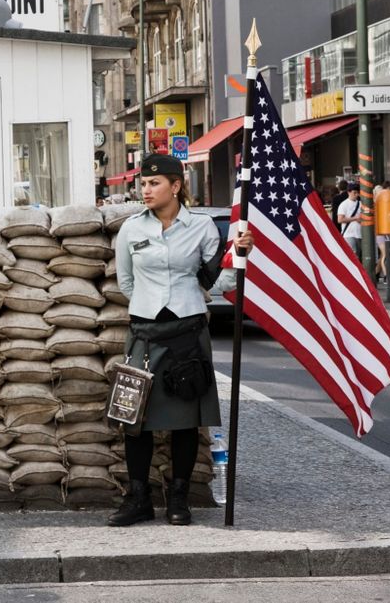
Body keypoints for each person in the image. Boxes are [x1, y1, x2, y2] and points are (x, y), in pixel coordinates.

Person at [109, 155, 253, 527]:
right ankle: (138, 498)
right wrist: (151, 305)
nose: (145, 190)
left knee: (186, 422)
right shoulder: (130, 229)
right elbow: (126, 283)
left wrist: (239, 255)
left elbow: (215, 282)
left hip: (188, 335)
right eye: (143, 184)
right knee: (134, 419)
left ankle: (179, 498)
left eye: (154, 184)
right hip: (144, 333)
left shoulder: (202, 228)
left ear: (175, 186)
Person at [336, 184, 362, 256]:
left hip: (359, 233)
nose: (356, 195)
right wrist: (355, 218)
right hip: (348, 234)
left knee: (358, 255)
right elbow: (340, 220)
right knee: (353, 255)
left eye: (357, 193)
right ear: (349, 192)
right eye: (354, 193)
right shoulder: (344, 204)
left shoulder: (360, 204)